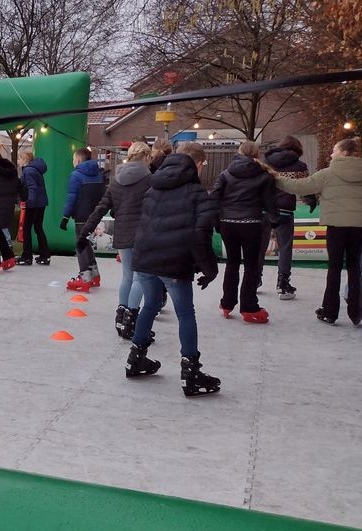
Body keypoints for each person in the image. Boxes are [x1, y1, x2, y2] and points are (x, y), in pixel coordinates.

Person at [126, 142, 221, 397]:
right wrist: (209, 268)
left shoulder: (153, 186)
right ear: (197, 164)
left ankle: (135, 358)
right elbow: (201, 234)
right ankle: (191, 373)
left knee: (149, 305)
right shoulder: (197, 192)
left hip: (146, 257)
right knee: (185, 313)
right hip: (173, 262)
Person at [270, 137, 362, 325]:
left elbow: (299, 186)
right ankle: (356, 311)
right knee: (355, 268)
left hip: (336, 227)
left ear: (344, 153)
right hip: (359, 227)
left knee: (334, 268)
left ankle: (329, 311)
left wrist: (275, 176)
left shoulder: (328, 173)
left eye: (335, 150)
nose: (331, 153)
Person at [77, 141, 152, 339]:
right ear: (145, 157)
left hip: (122, 232)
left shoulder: (117, 179)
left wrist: (85, 231)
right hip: (142, 233)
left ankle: (120, 314)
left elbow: (101, 207)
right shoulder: (149, 179)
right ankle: (131, 319)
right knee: (139, 278)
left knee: (127, 276)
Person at [211, 140, 278, 323]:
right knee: (251, 265)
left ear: (239, 153)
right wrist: (275, 220)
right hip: (251, 223)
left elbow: (215, 198)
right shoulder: (264, 176)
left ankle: (227, 303)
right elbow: (269, 202)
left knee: (232, 263)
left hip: (228, 223)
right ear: (257, 154)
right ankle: (248, 307)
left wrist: (216, 222)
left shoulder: (226, 174)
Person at [261, 136, 312, 300]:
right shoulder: (300, 166)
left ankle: (254, 280)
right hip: (285, 211)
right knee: (285, 247)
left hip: (265, 210)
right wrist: (311, 200)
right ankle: (283, 285)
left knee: (260, 246)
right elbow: (305, 187)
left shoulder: (266, 162)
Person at [61, 147, 104, 292]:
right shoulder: (98, 174)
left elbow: (71, 197)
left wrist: (65, 216)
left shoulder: (76, 175)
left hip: (81, 215)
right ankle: (94, 274)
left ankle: (84, 276)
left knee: (80, 245)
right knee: (87, 244)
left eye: (73, 159)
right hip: (94, 215)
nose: (73, 162)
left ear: (78, 160)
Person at [19, 151, 50, 265]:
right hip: (41, 203)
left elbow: (32, 188)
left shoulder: (28, 171)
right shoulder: (35, 169)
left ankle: (27, 256)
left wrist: (28, 202)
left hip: (33, 204)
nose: (18, 161)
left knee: (27, 229)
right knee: (38, 228)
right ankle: (45, 255)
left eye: (19, 158)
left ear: (25, 160)